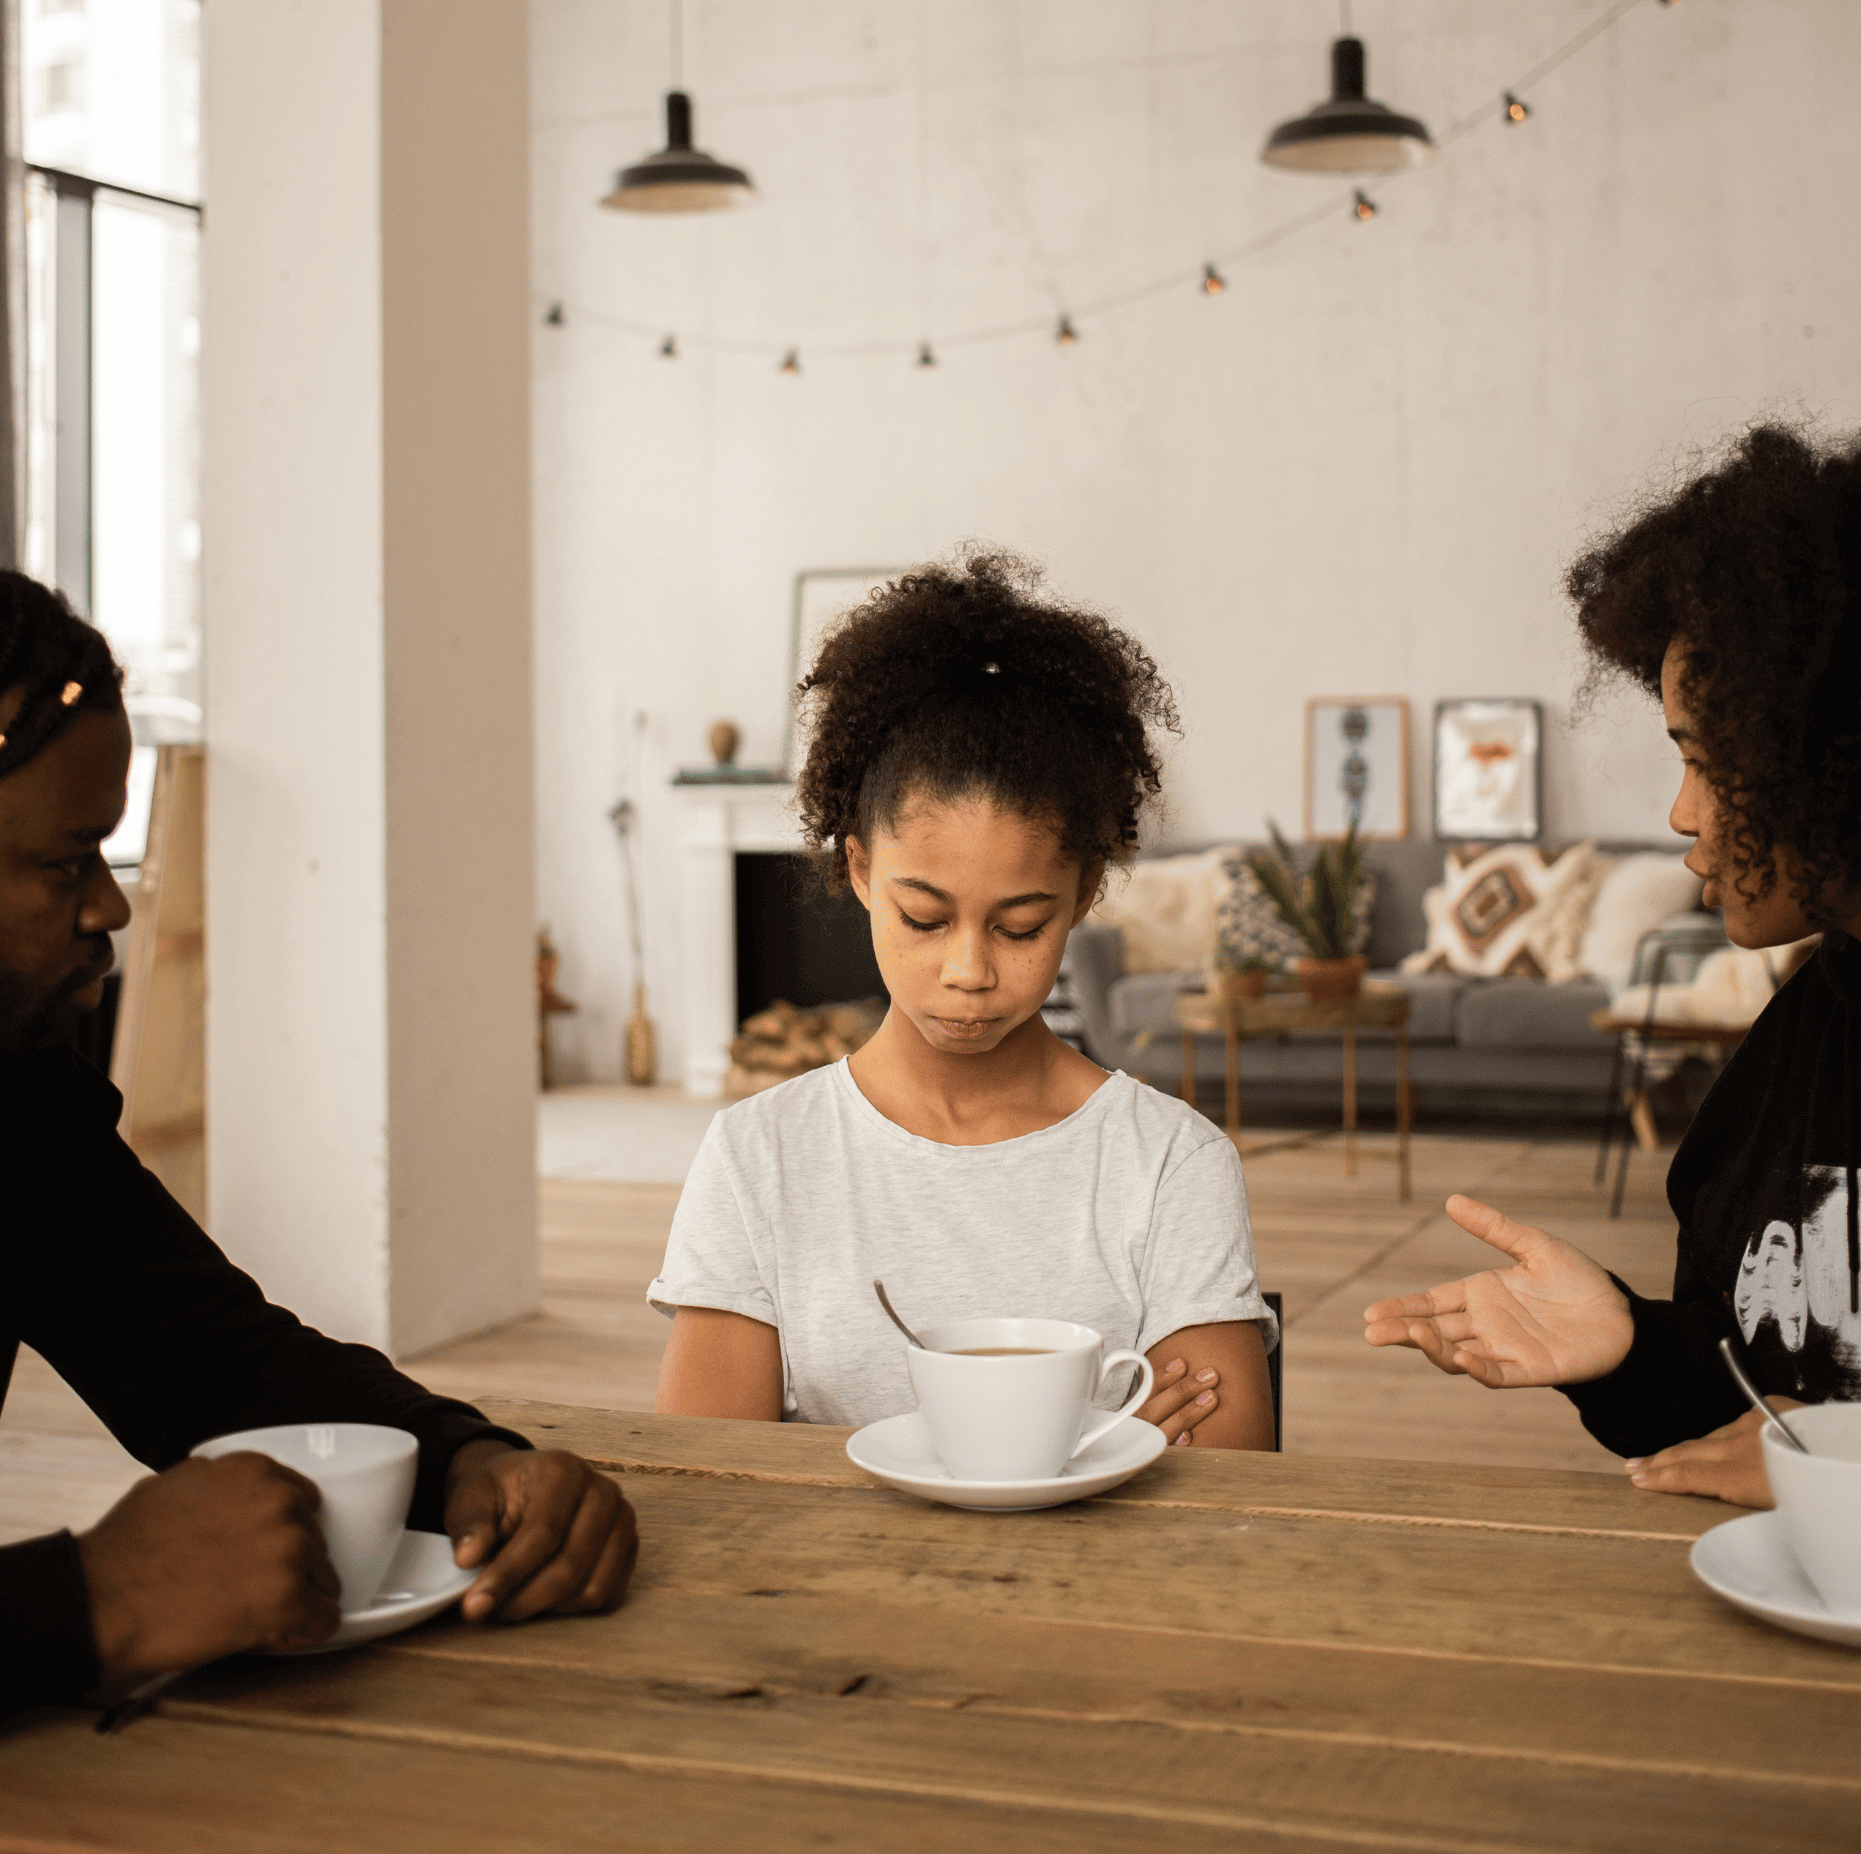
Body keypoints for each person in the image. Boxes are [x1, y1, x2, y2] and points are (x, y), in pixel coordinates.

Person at [0, 575, 636, 1720]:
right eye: (65, 862)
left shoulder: (17, 1100)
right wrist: (85, 1600)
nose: (111, 906)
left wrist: (466, 1464)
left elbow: (206, 1354)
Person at [652, 550, 1277, 1447]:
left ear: (1085, 891)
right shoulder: (760, 1158)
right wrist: (1089, 1446)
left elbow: (1224, 1496)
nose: (969, 971)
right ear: (860, 868)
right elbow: (709, 1481)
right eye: (924, 916)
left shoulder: (1169, 1164)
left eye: (1020, 926)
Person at [1363, 422, 1861, 1505]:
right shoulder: (1783, 1065)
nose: (1680, 814)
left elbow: (1799, 1462)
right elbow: (1747, 1429)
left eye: (1701, 760)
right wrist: (1628, 1349)